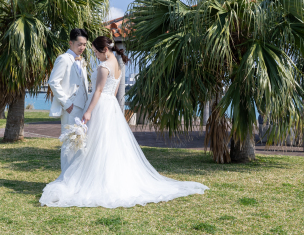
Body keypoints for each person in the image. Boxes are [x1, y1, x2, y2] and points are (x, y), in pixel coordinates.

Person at [40, 36, 208, 208]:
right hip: (110, 106)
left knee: (97, 144)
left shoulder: (104, 66)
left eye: (96, 52)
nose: (95, 55)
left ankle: (96, 179)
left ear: (105, 50)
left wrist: (88, 111)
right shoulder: (118, 65)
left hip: (100, 106)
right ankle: (104, 177)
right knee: (108, 144)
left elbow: (98, 91)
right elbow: (112, 93)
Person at [47, 28, 89, 172]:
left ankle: (76, 176)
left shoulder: (82, 60)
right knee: (69, 143)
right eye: (79, 44)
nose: (82, 47)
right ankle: (66, 177)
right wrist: (67, 103)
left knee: (80, 143)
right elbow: (53, 82)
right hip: (71, 107)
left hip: (83, 107)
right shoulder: (63, 59)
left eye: (84, 44)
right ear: (71, 43)